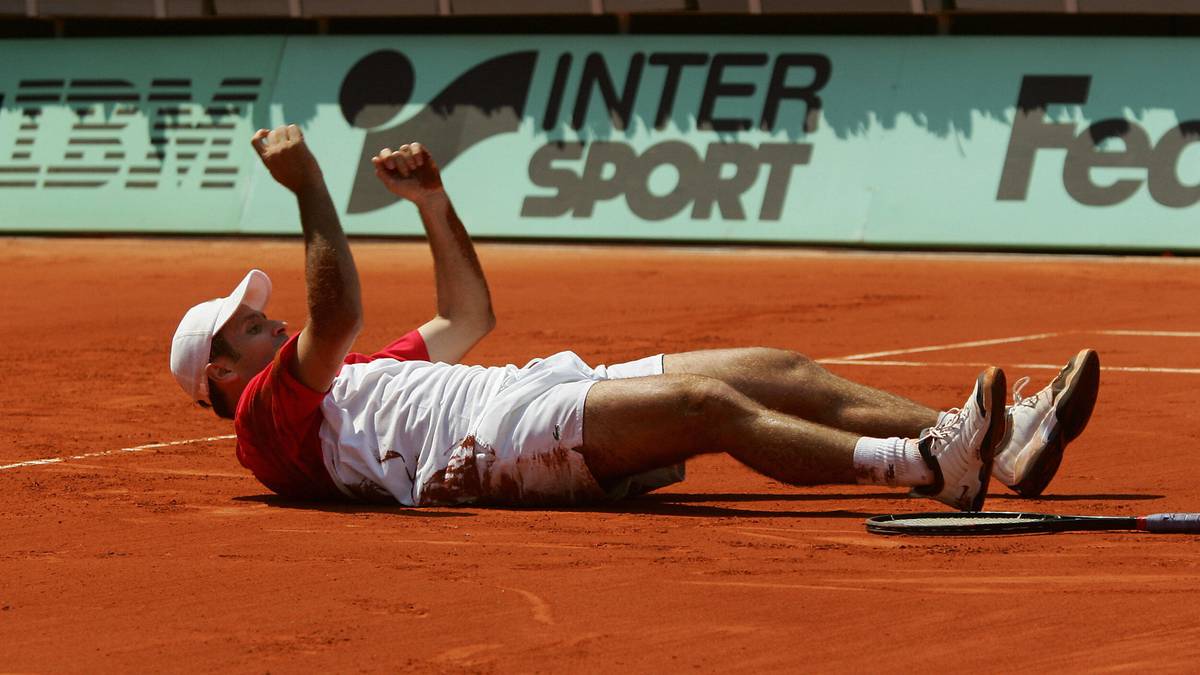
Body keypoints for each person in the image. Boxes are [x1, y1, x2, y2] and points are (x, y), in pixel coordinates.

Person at [170, 124, 1101, 511]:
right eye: (241, 327)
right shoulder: (266, 416)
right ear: (218, 374)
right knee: (707, 404)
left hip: (522, 392)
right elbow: (336, 309)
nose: (263, 320)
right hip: (486, 445)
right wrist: (311, 190)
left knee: (768, 367)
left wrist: (434, 202)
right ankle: (931, 467)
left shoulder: (361, 375)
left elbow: (469, 314)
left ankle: (1008, 441)